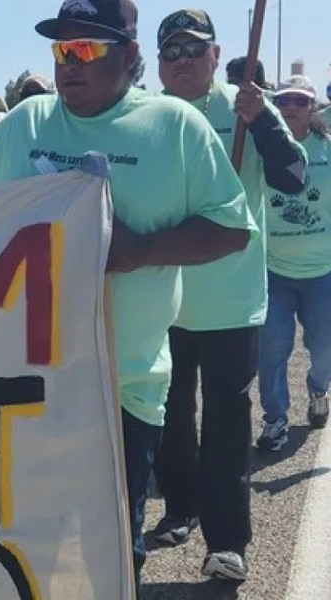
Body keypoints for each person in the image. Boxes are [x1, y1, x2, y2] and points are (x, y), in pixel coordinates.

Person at [0, 0, 254, 588]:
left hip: (122, 388)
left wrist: (140, 251)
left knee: (107, 551)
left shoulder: (174, 128)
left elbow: (233, 229)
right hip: (24, 382)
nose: (69, 64)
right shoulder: (26, 123)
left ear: (129, 56)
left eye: (85, 48)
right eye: (62, 49)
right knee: (24, 542)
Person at [149, 8, 307, 581]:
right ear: (158, 63)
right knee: (168, 416)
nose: (183, 60)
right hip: (161, 298)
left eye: (195, 49)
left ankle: (227, 541)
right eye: (172, 52)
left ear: (216, 56)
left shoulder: (246, 108)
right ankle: (179, 508)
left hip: (230, 303)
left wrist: (262, 121)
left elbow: (293, 178)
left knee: (226, 422)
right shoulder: (148, 116)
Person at [257, 75, 331, 448]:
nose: (291, 108)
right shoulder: (262, 146)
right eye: (283, 101)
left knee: (324, 347)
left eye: (300, 102)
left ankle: (319, 389)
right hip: (274, 270)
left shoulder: (327, 148)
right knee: (272, 350)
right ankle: (275, 420)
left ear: (313, 108)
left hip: (322, 272)